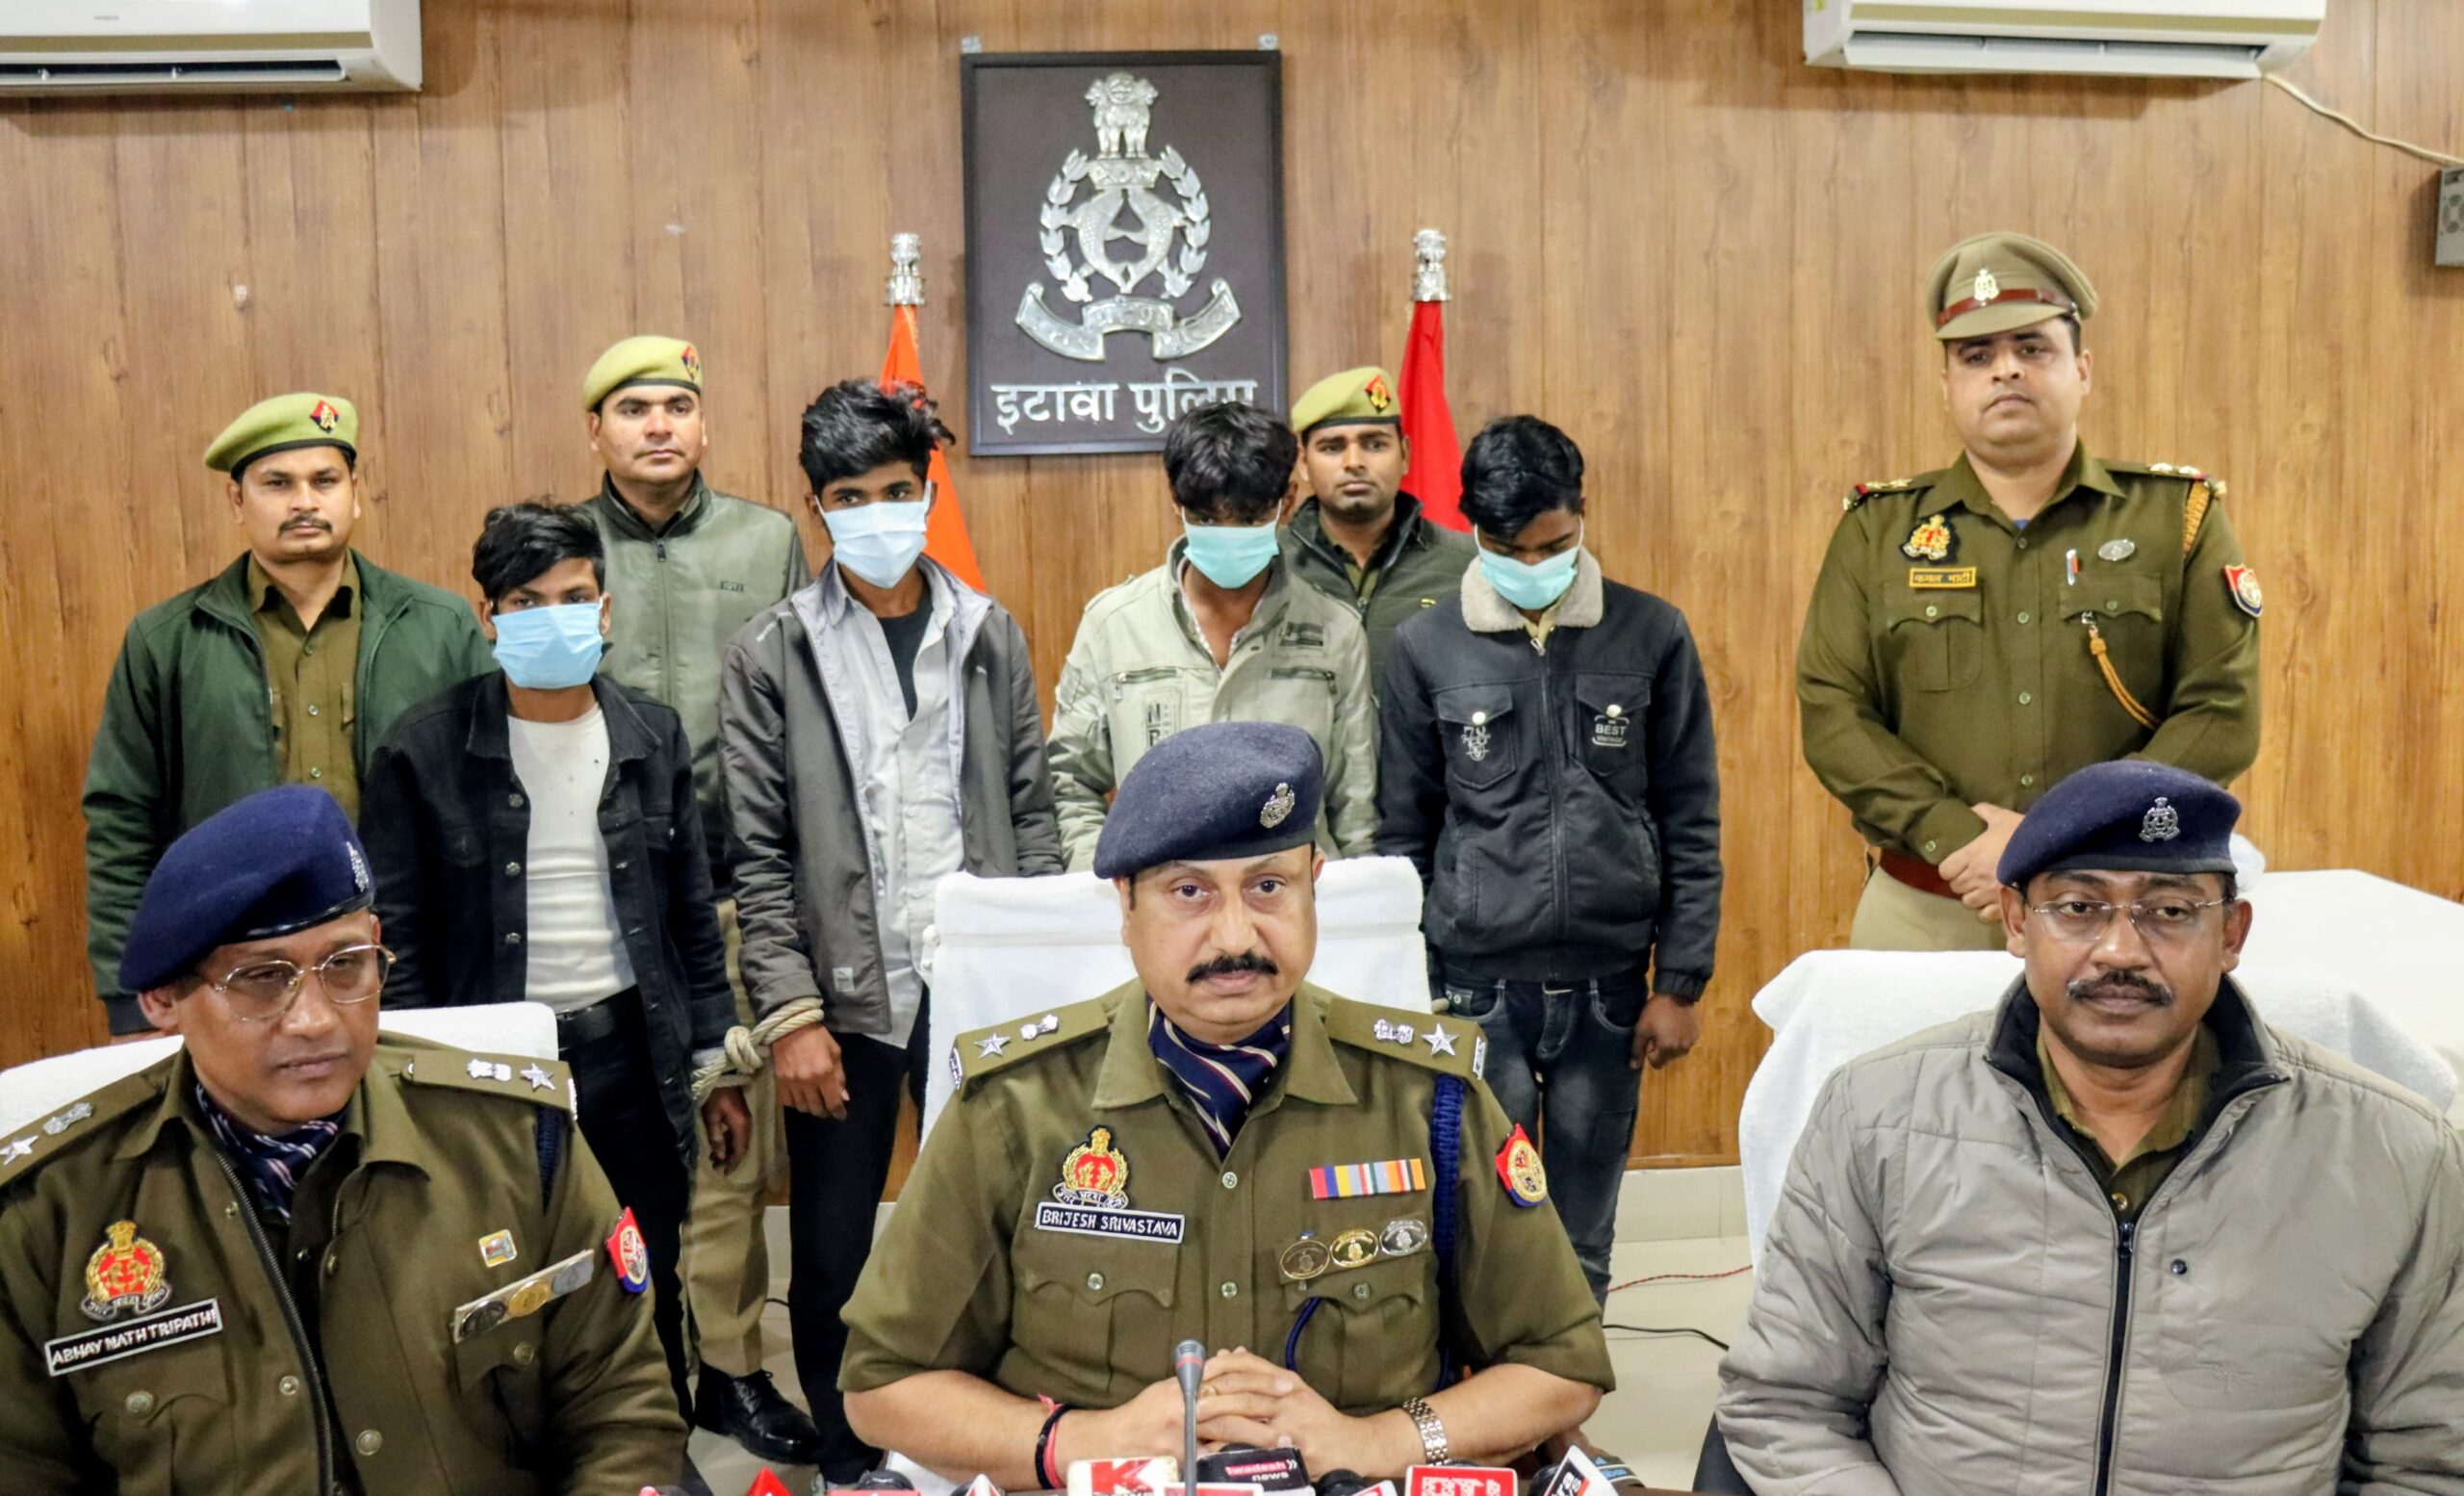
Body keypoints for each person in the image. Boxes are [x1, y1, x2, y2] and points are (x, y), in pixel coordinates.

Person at [836, 722, 1612, 1486]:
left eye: (1269, 887)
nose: (1235, 935)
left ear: (1313, 884)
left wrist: (1378, 1441)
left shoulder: (1427, 1099)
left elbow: (1560, 1363)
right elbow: (881, 1382)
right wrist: (1084, 1441)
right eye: (1189, 893)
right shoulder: (1015, 1106)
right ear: (1125, 904)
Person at [1718, 761, 2464, 1494]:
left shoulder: (2397, 1153)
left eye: (2170, 912)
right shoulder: (1877, 1114)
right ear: (2018, 921)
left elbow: (2430, 1458)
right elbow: (1786, 1403)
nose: (2120, 951)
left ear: (2232, 935)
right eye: (2078, 907)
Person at [0, 786, 685, 1493]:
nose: (316, 1020)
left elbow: (623, 1410)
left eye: (346, 964)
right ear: (162, 998)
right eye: (262, 978)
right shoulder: (49, 1213)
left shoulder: (518, 1142)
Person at [716, 378, 1064, 1483]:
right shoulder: (772, 651)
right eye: (850, 496)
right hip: (843, 998)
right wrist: (789, 1016)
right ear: (817, 505)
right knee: (832, 1250)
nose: (877, 514)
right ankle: (849, 1457)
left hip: (978, 985)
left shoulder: (988, 632)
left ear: (928, 491)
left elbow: (1033, 810)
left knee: (1006, 1226)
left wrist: (1040, 972)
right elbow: (758, 854)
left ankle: (988, 1442)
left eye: (897, 490)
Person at [357, 503, 748, 1429]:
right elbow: (395, 937)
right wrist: (411, 1080)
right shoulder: (421, 748)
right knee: (506, 1277)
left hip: (630, 1056)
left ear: (604, 610)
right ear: (488, 616)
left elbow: (691, 917)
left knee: (645, 1264)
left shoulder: (652, 735)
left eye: (573, 597)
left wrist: (715, 1062)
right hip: (493, 1069)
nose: (553, 619)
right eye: (526, 602)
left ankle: (655, 1451)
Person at [1795, 232, 2262, 952]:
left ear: (2083, 370)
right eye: (1976, 356)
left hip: (2122, 907)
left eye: (2032, 348)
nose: (2005, 369)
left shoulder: (2177, 520)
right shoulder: (1877, 531)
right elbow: (1835, 712)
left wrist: (2068, 834)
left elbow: (2221, 710)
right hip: (1930, 905)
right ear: (1946, 384)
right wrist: (1953, 834)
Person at [1375, 414, 1722, 1307]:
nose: (1533, 565)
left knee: (1582, 1228)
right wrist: (1416, 986)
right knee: (1486, 1219)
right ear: (1474, 530)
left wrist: (1681, 982)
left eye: (1554, 546)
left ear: (1582, 513)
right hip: (1476, 988)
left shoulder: (1651, 632)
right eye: (1507, 550)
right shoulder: (1425, 646)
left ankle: (1570, 1386)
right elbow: (1401, 832)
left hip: (1611, 988)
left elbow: (1690, 813)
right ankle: (1494, 1387)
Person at [574, 334, 820, 1465]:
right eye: (634, 408)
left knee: (729, 1152)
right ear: (597, 431)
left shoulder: (766, 542)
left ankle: (728, 1369)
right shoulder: (567, 552)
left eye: (677, 404)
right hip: (599, 898)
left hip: (727, 889)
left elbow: (801, 705)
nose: (658, 425)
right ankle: (618, 1373)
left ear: (704, 423)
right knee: (606, 1151)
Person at [83, 392, 491, 1035]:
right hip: (236, 969)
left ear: (354, 492)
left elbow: (491, 802)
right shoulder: (168, 641)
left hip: (411, 965)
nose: (305, 501)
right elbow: (121, 825)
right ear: (237, 501)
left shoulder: (440, 627)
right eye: (278, 483)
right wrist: (129, 996)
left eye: (324, 480)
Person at [1047, 401, 1377, 869]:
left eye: (1248, 520)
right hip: (1160, 895)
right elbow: (1069, 782)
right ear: (1176, 501)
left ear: (1287, 501)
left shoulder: (1335, 631)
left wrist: (1355, 899)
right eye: (1206, 519)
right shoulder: (1115, 624)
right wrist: (1105, 879)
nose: (1227, 534)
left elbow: (1356, 810)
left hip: (1294, 896)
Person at [1278, 367, 1475, 680]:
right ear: (1303, 462)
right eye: (1332, 447)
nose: (1354, 462)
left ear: (1405, 454)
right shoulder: (1270, 565)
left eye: (1374, 445)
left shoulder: (1468, 565)